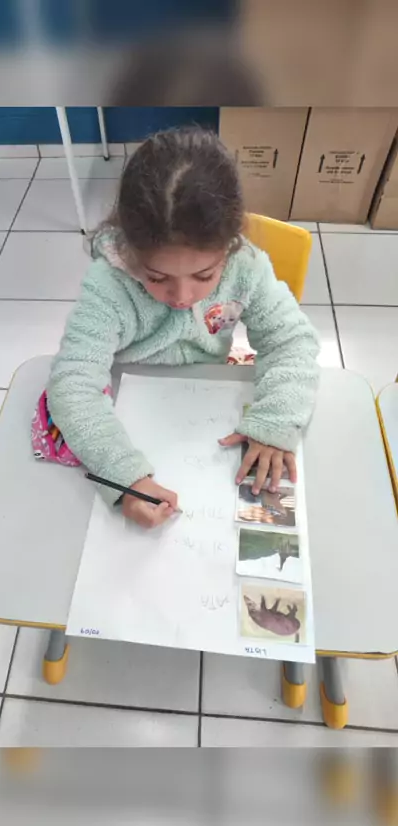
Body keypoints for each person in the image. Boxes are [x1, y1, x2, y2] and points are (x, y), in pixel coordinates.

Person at [44, 127, 320, 528]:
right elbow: (72, 383)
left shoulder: (246, 267)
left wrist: (276, 420)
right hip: (129, 405)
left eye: (204, 276)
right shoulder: (108, 284)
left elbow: (292, 341)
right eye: (157, 278)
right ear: (128, 249)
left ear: (230, 245)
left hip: (207, 403)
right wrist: (124, 476)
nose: (183, 297)